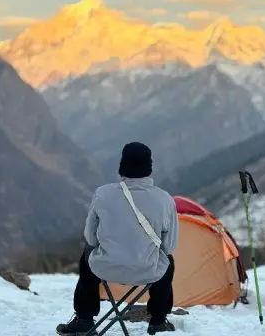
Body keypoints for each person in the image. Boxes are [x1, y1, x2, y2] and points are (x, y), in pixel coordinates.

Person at [56, 142, 179, 336]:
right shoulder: (165, 200)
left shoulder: (103, 194)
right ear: (149, 167)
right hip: (148, 270)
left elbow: (90, 237)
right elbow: (169, 246)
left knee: (87, 255)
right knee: (168, 262)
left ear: (122, 165)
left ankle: (84, 319)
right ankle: (158, 321)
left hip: (105, 268)